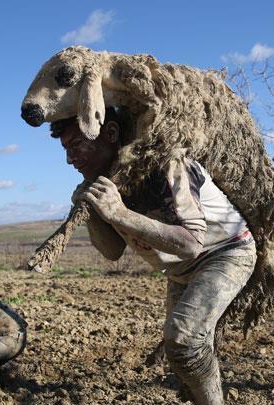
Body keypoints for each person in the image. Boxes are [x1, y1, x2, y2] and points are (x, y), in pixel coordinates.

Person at [52, 107, 256, 404]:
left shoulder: (165, 164)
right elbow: (112, 252)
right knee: (184, 352)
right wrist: (95, 214)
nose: (69, 159)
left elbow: (190, 244)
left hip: (226, 252)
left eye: (76, 145)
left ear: (109, 133)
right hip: (181, 271)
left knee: (183, 342)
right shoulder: (107, 182)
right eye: (66, 149)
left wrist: (119, 213)